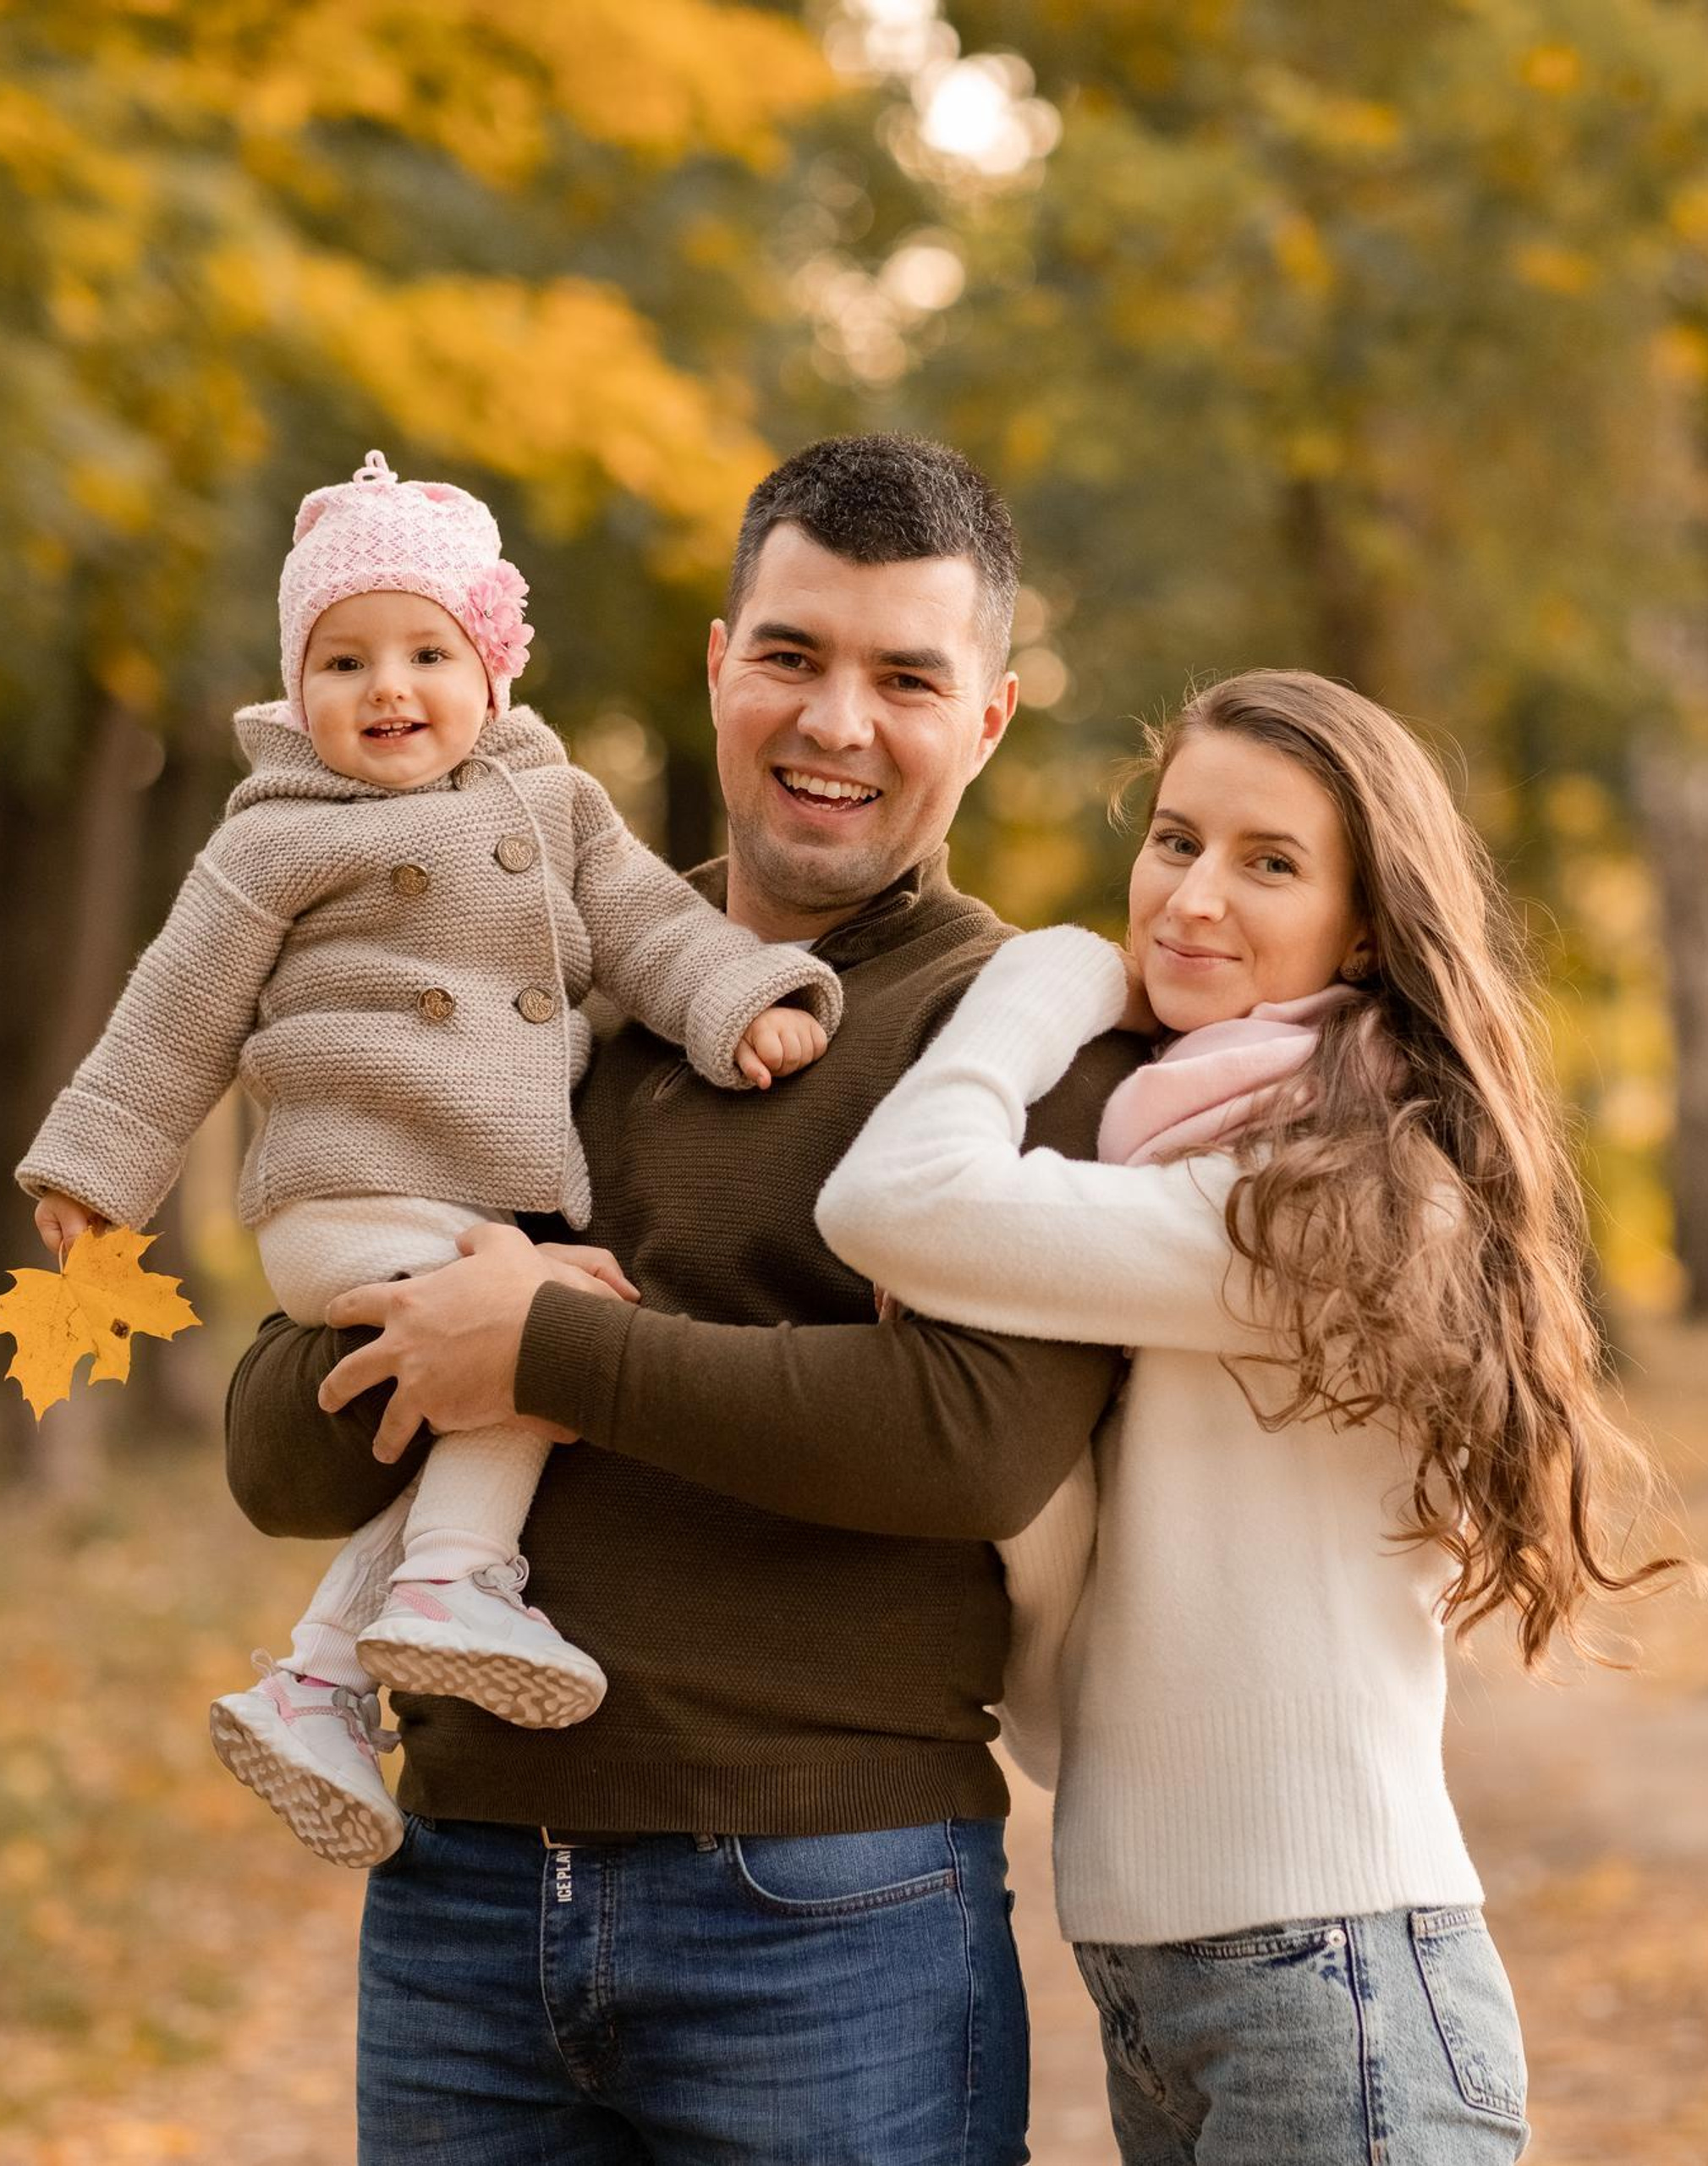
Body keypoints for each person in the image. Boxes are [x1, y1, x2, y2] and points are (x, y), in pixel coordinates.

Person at [221, 435, 1141, 2164]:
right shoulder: (523, 988)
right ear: (720, 664)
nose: (834, 721)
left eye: (904, 677)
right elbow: (279, 1459)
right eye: (791, 654)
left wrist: (547, 1345)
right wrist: (441, 1340)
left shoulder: (1020, 1033)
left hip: (825, 1898)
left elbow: (964, 1441)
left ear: (991, 717)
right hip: (460, 1885)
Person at [818, 669, 1682, 2164]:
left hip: (1331, 1983)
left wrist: (1035, 985)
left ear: (1363, 927)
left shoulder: (1342, 1196)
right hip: (1175, 1969)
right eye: (1173, 841)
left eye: (1267, 863)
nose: (1189, 896)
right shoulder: (1174, 1146)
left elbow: (890, 1201)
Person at [16, 450, 843, 1871]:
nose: (387, 687)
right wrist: (97, 1168)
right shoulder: (272, 838)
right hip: (350, 1187)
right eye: (343, 660)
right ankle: (463, 1583)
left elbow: (652, 929)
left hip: (469, 1196)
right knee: (546, 1333)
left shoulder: (558, 804)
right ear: (296, 689)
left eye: (425, 652)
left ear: (491, 670)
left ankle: (324, 1681)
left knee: (506, 1351)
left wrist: (737, 1003)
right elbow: (175, 1010)